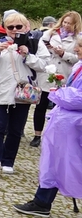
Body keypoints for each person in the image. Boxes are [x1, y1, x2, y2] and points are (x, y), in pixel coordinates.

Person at [14, 35, 82, 218]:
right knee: (55, 162)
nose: (76, 50)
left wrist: (59, 94)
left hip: (75, 124)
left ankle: (42, 201)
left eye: (80, 47)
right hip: (66, 124)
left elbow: (79, 98)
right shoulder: (78, 67)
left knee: (74, 165)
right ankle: (42, 202)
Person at [0, 11, 50, 178]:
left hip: (23, 93)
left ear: (26, 27)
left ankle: (8, 161)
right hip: (0, 92)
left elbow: (44, 65)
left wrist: (28, 55)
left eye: (19, 26)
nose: (15, 30)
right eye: (11, 27)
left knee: (16, 130)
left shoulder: (35, 44)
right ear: (5, 28)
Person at [30, 11, 81, 147]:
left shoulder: (78, 38)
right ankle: (37, 134)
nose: (66, 25)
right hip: (48, 72)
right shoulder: (51, 33)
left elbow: (77, 58)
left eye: (69, 23)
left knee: (59, 107)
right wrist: (50, 49)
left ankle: (55, 135)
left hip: (64, 73)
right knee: (41, 105)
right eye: (64, 22)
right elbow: (40, 48)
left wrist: (63, 53)